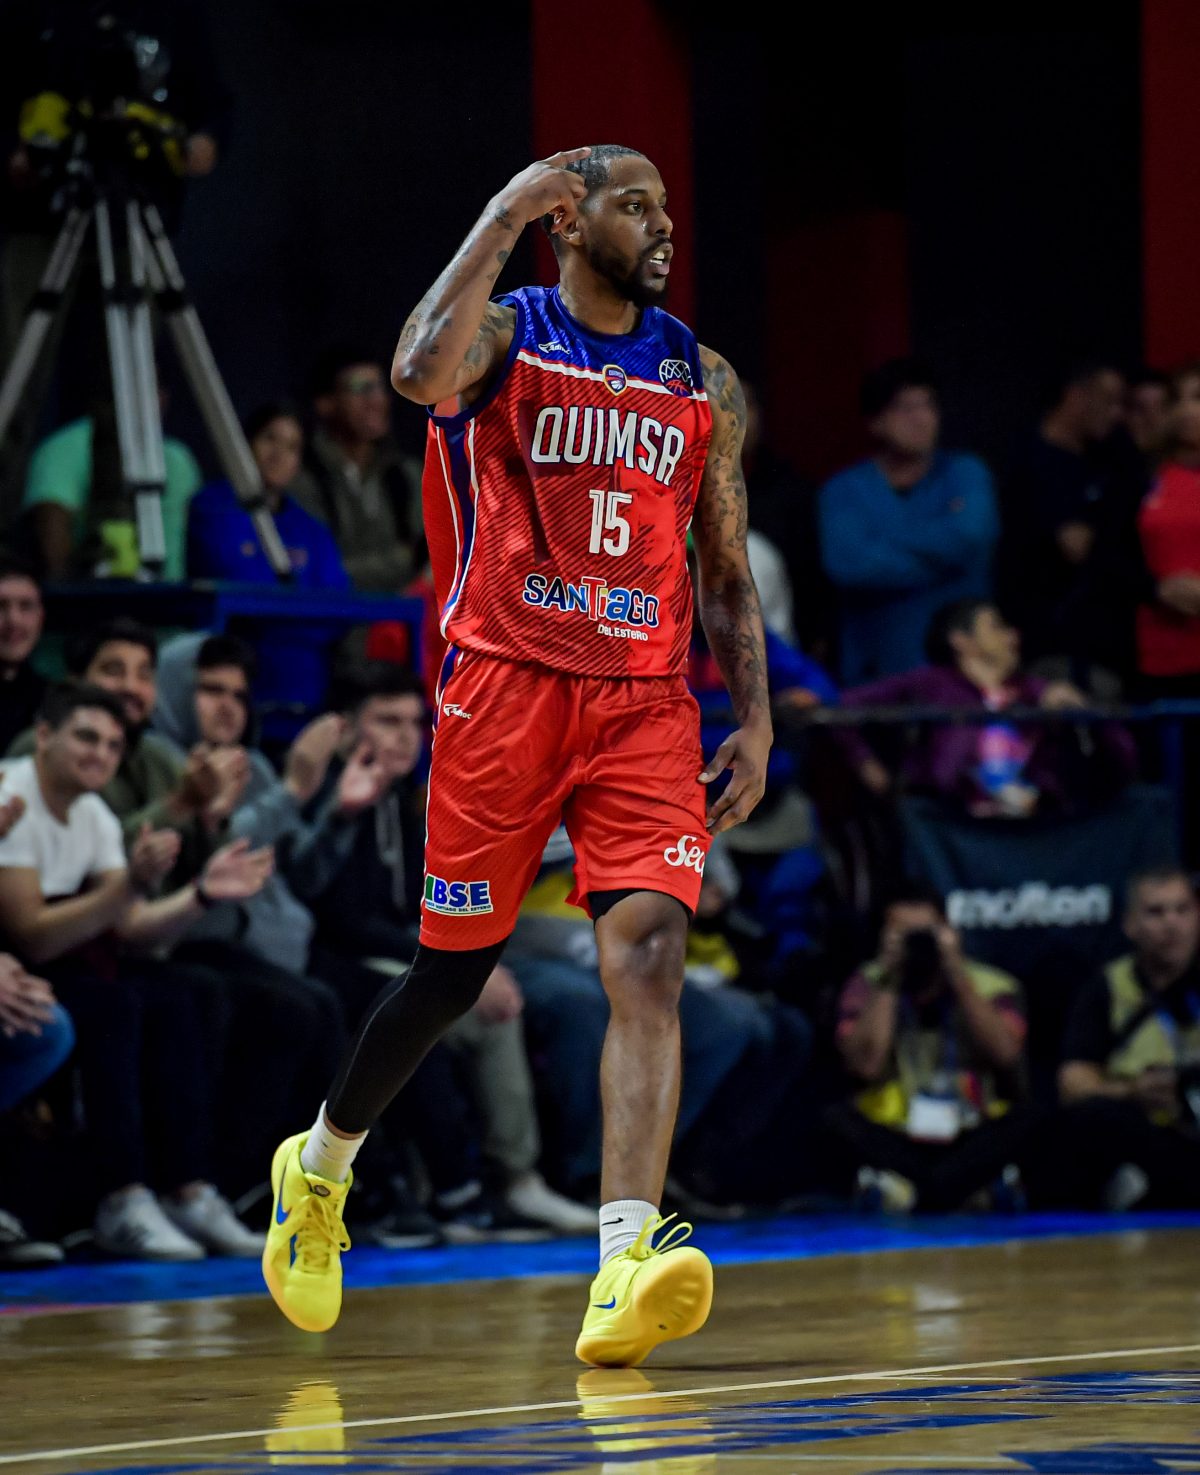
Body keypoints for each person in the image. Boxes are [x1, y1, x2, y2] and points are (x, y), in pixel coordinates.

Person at [261, 145, 771, 1370]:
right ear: (568, 222)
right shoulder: (503, 334)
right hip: (505, 689)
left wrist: (754, 717)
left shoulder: (704, 378)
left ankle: (623, 1263)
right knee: (449, 975)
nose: (661, 225)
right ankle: (319, 1165)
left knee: (649, 953)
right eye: (633, 206)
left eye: (665, 206)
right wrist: (498, 211)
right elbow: (411, 370)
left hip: (645, 700)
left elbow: (723, 567)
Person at [280, 664, 597, 1239]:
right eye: (387, 721)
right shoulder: (321, 791)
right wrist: (341, 815)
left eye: (413, 722)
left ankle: (516, 1181)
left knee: (494, 1006)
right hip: (329, 959)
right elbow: (329, 911)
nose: (406, 736)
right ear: (343, 728)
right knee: (424, 1009)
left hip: (392, 953)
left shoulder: (412, 800)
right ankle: (452, 1188)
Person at [0, 681, 271, 1258]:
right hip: (23, 967)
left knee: (177, 996)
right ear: (43, 736)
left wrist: (199, 893)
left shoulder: (93, 812)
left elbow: (128, 927)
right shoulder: (13, 796)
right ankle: (118, 1198)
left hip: (59, 963)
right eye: (86, 738)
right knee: (109, 1007)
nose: (99, 755)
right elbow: (33, 938)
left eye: (112, 746)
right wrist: (129, 885)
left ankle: (187, 1190)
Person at [825, 880, 1036, 1212]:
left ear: (948, 931)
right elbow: (865, 1066)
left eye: (925, 934)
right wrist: (890, 978)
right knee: (835, 1120)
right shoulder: (867, 982)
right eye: (904, 935)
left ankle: (916, 1192)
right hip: (897, 1132)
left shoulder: (992, 984)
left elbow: (1005, 1055)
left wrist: (956, 973)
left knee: (1032, 1119)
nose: (918, 944)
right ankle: (963, 1191)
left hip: (970, 1129)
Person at [838, 598, 1137, 818]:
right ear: (962, 641)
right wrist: (867, 765)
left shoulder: (1035, 691)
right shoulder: (929, 684)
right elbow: (844, 705)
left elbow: (1125, 761)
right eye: (997, 627)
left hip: (1035, 826)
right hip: (953, 829)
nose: (1013, 636)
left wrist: (1083, 712)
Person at [818, 358, 998, 683]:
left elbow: (969, 536)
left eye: (928, 405)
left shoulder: (966, 472)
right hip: (876, 671)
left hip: (964, 673)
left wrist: (885, 540)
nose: (921, 418)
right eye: (905, 408)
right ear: (875, 422)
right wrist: (945, 558)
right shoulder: (843, 489)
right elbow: (849, 564)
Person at [187, 402, 352, 713]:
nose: (279, 454)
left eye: (292, 447)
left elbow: (337, 609)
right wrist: (299, 617)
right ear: (245, 444)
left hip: (305, 689)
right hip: (235, 689)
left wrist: (283, 619)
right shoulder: (212, 507)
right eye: (269, 439)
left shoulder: (309, 527)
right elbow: (241, 591)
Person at [1053, 866, 1200, 1210]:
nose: (1172, 924)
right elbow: (1072, 1084)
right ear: (1130, 925)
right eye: (1156, 912)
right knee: (1092, 1119)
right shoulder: (1106, 987)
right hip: (1148, 1132)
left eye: (1183, 910)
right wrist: (1134, 1091)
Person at [1000, 359, 1131, 677]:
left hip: (1104, 643)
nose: (1117, 414)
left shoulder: (1106, 459)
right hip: (1045, 644)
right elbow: (1076, 547)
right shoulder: (1028, 460)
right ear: (1075, 396)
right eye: (1109, 401)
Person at [289, 348, 423, 593]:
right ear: (326, 404)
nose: (377, 400)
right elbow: (317, 573)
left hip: (403, 616)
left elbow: (432, 560)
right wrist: (404, 560)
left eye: (380, 387)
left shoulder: (406, 475)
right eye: (361, 389)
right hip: (333, 615)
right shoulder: (302, 478)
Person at [22, 406, 204, 580]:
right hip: (91, 588)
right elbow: (51, 522)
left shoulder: (177, 458)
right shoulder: (65, 448)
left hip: (165, 592)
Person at [0, 557, 47, 753]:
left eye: (26, 606)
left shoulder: (53, 701)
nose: (14, 621)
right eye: (1, 606)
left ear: (40, 618)